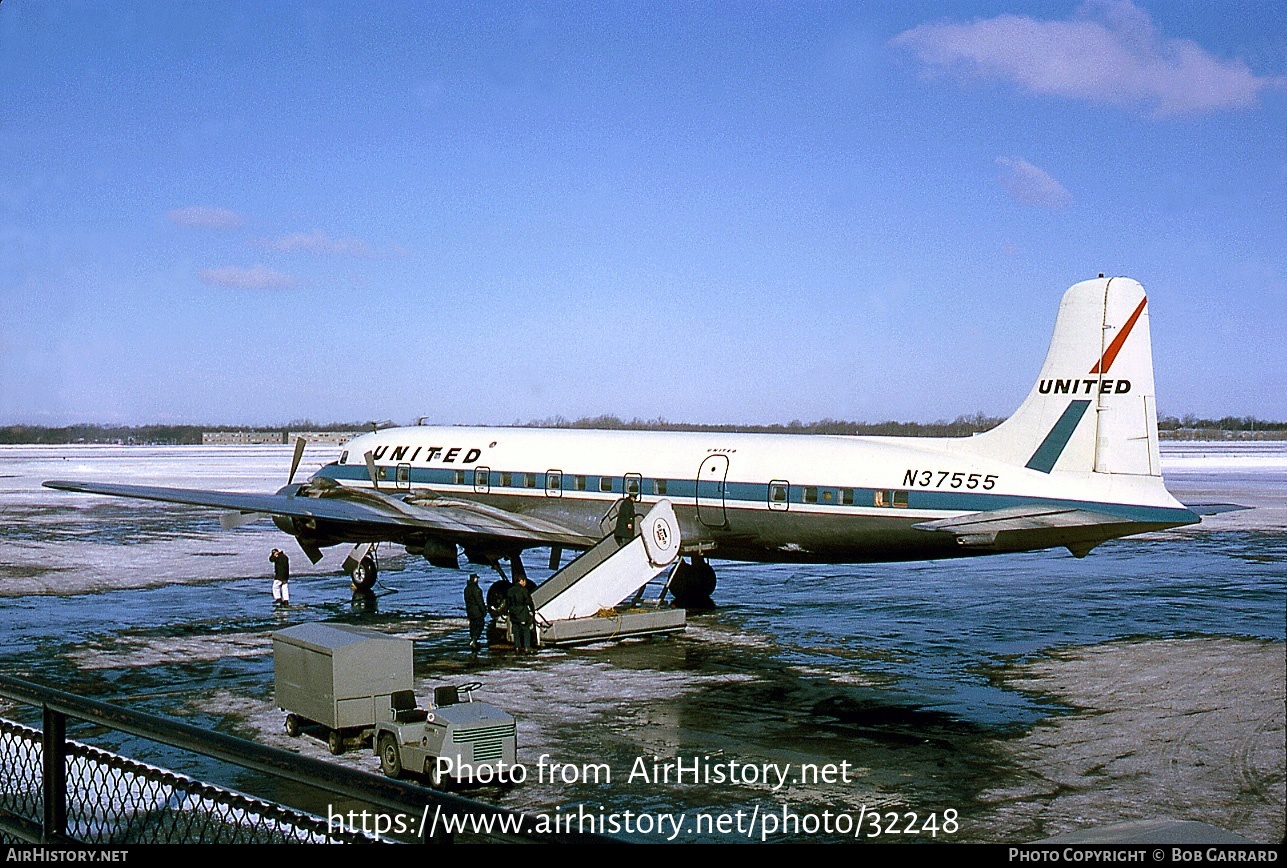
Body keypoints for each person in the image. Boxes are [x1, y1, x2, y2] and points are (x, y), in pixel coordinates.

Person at [506, 574, 536, 655]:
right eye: (524, 581)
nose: (525, 583)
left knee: (516, 631)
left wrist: (506, 612)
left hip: (513, 613)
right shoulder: (524, 590)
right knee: (525, 630)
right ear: (521, 581)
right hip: (522, 612)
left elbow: (507, 603)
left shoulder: (510, 590)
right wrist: (532, 611)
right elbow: (529, 601)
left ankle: (517, 647)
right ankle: (527, 647)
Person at [464, 573, 487, 654]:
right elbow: (480, 602)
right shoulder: (476, 590)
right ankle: (474, 639)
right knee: (480, 625)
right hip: (477, 612)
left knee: (473, 626)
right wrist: (484, 611)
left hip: (469, 611)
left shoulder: (466, 589)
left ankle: (473, 641)